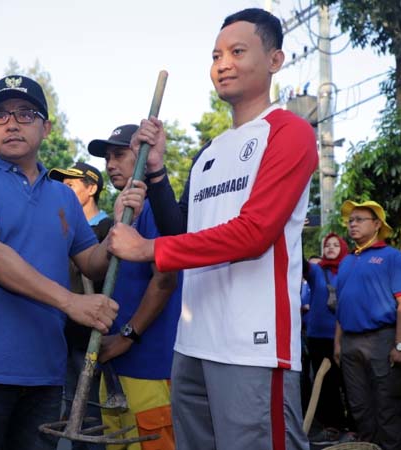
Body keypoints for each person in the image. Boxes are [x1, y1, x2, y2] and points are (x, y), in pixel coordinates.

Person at [108, 9, 317, 449]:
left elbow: (254, 234)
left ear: (275, 60)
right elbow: (181, 229)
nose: (223, 63)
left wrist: (147, 250)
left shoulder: (288, 132)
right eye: (216, 54)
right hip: (193, 343)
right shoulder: (210, 152)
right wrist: (159, 171)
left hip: (252, 347)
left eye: (238, 52)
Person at [0, 74, 118, 450]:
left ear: (45, 127)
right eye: (0, 116)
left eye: (25, 113)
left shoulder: (63, 198)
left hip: (45, 377)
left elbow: (92, 263)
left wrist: (120, 225)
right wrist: (72, 303)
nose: (12, 123)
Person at [89, 124, 181, 450]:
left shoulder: (153, 206)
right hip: (116, 366)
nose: (111, 164)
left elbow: (166, 278)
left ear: (140, 154)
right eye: (107, 157)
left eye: (119, 154)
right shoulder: (123, 212)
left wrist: (129, 336)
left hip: (150, 366)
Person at [333, 200, 401, 450]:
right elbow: (342, 305)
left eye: (359, 219)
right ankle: (368, 446)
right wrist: (338, 343)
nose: (352, 224)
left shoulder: (391, 257)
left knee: (386, 406)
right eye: (350, 220)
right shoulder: (346, 261)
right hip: (350, 342)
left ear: (377, 224)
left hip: (382, 339)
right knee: (359, 406)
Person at [48, 160, 112, 450]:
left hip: (93, 336)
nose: (64, 190)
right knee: (72, 405)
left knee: (92, 414)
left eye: (71, 185)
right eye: (60, 185)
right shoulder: (58, 228)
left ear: (92, 188)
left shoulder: (107, 230)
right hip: (62, 332)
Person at [303, 233, 355, 444]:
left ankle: (353, 428)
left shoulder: (350, 269)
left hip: (345, 336)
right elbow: (301, 263)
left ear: (343, 248)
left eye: (336, 245)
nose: (331, 248)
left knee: (349, 383)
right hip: (318, 337)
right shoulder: (317, 272)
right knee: (325, 385)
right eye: (327, 245)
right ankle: (332, 427)